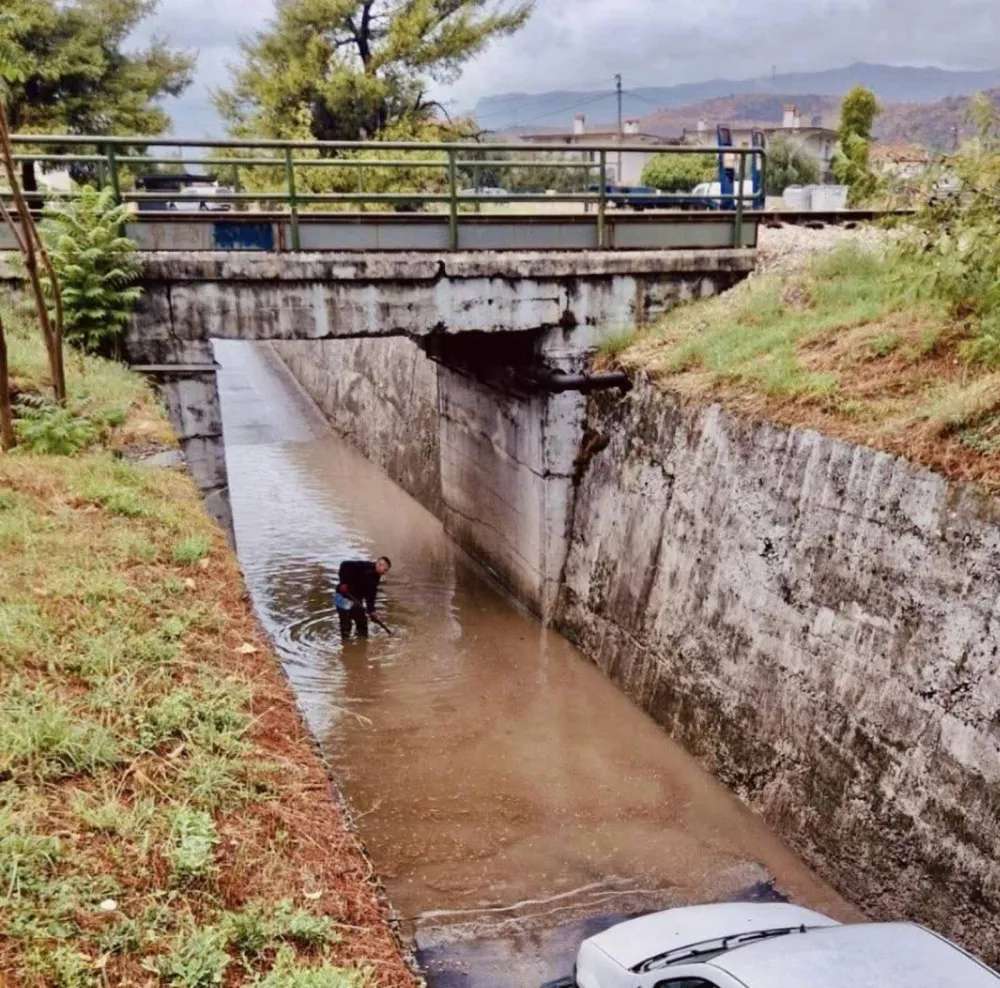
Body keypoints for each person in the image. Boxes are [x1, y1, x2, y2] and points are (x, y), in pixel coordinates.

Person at [335, 556, 391, 638]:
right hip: (343, 595)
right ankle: (346, 646)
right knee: (346, 625)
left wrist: (372, 611)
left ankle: (362, 645)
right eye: (385, 570)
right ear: (379, 564)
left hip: (356, 598)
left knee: (362, 624)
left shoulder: (376, 578)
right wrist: (343, 582)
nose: (385, 573)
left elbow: (371, 596)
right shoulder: (363, 566)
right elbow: (344, 565)